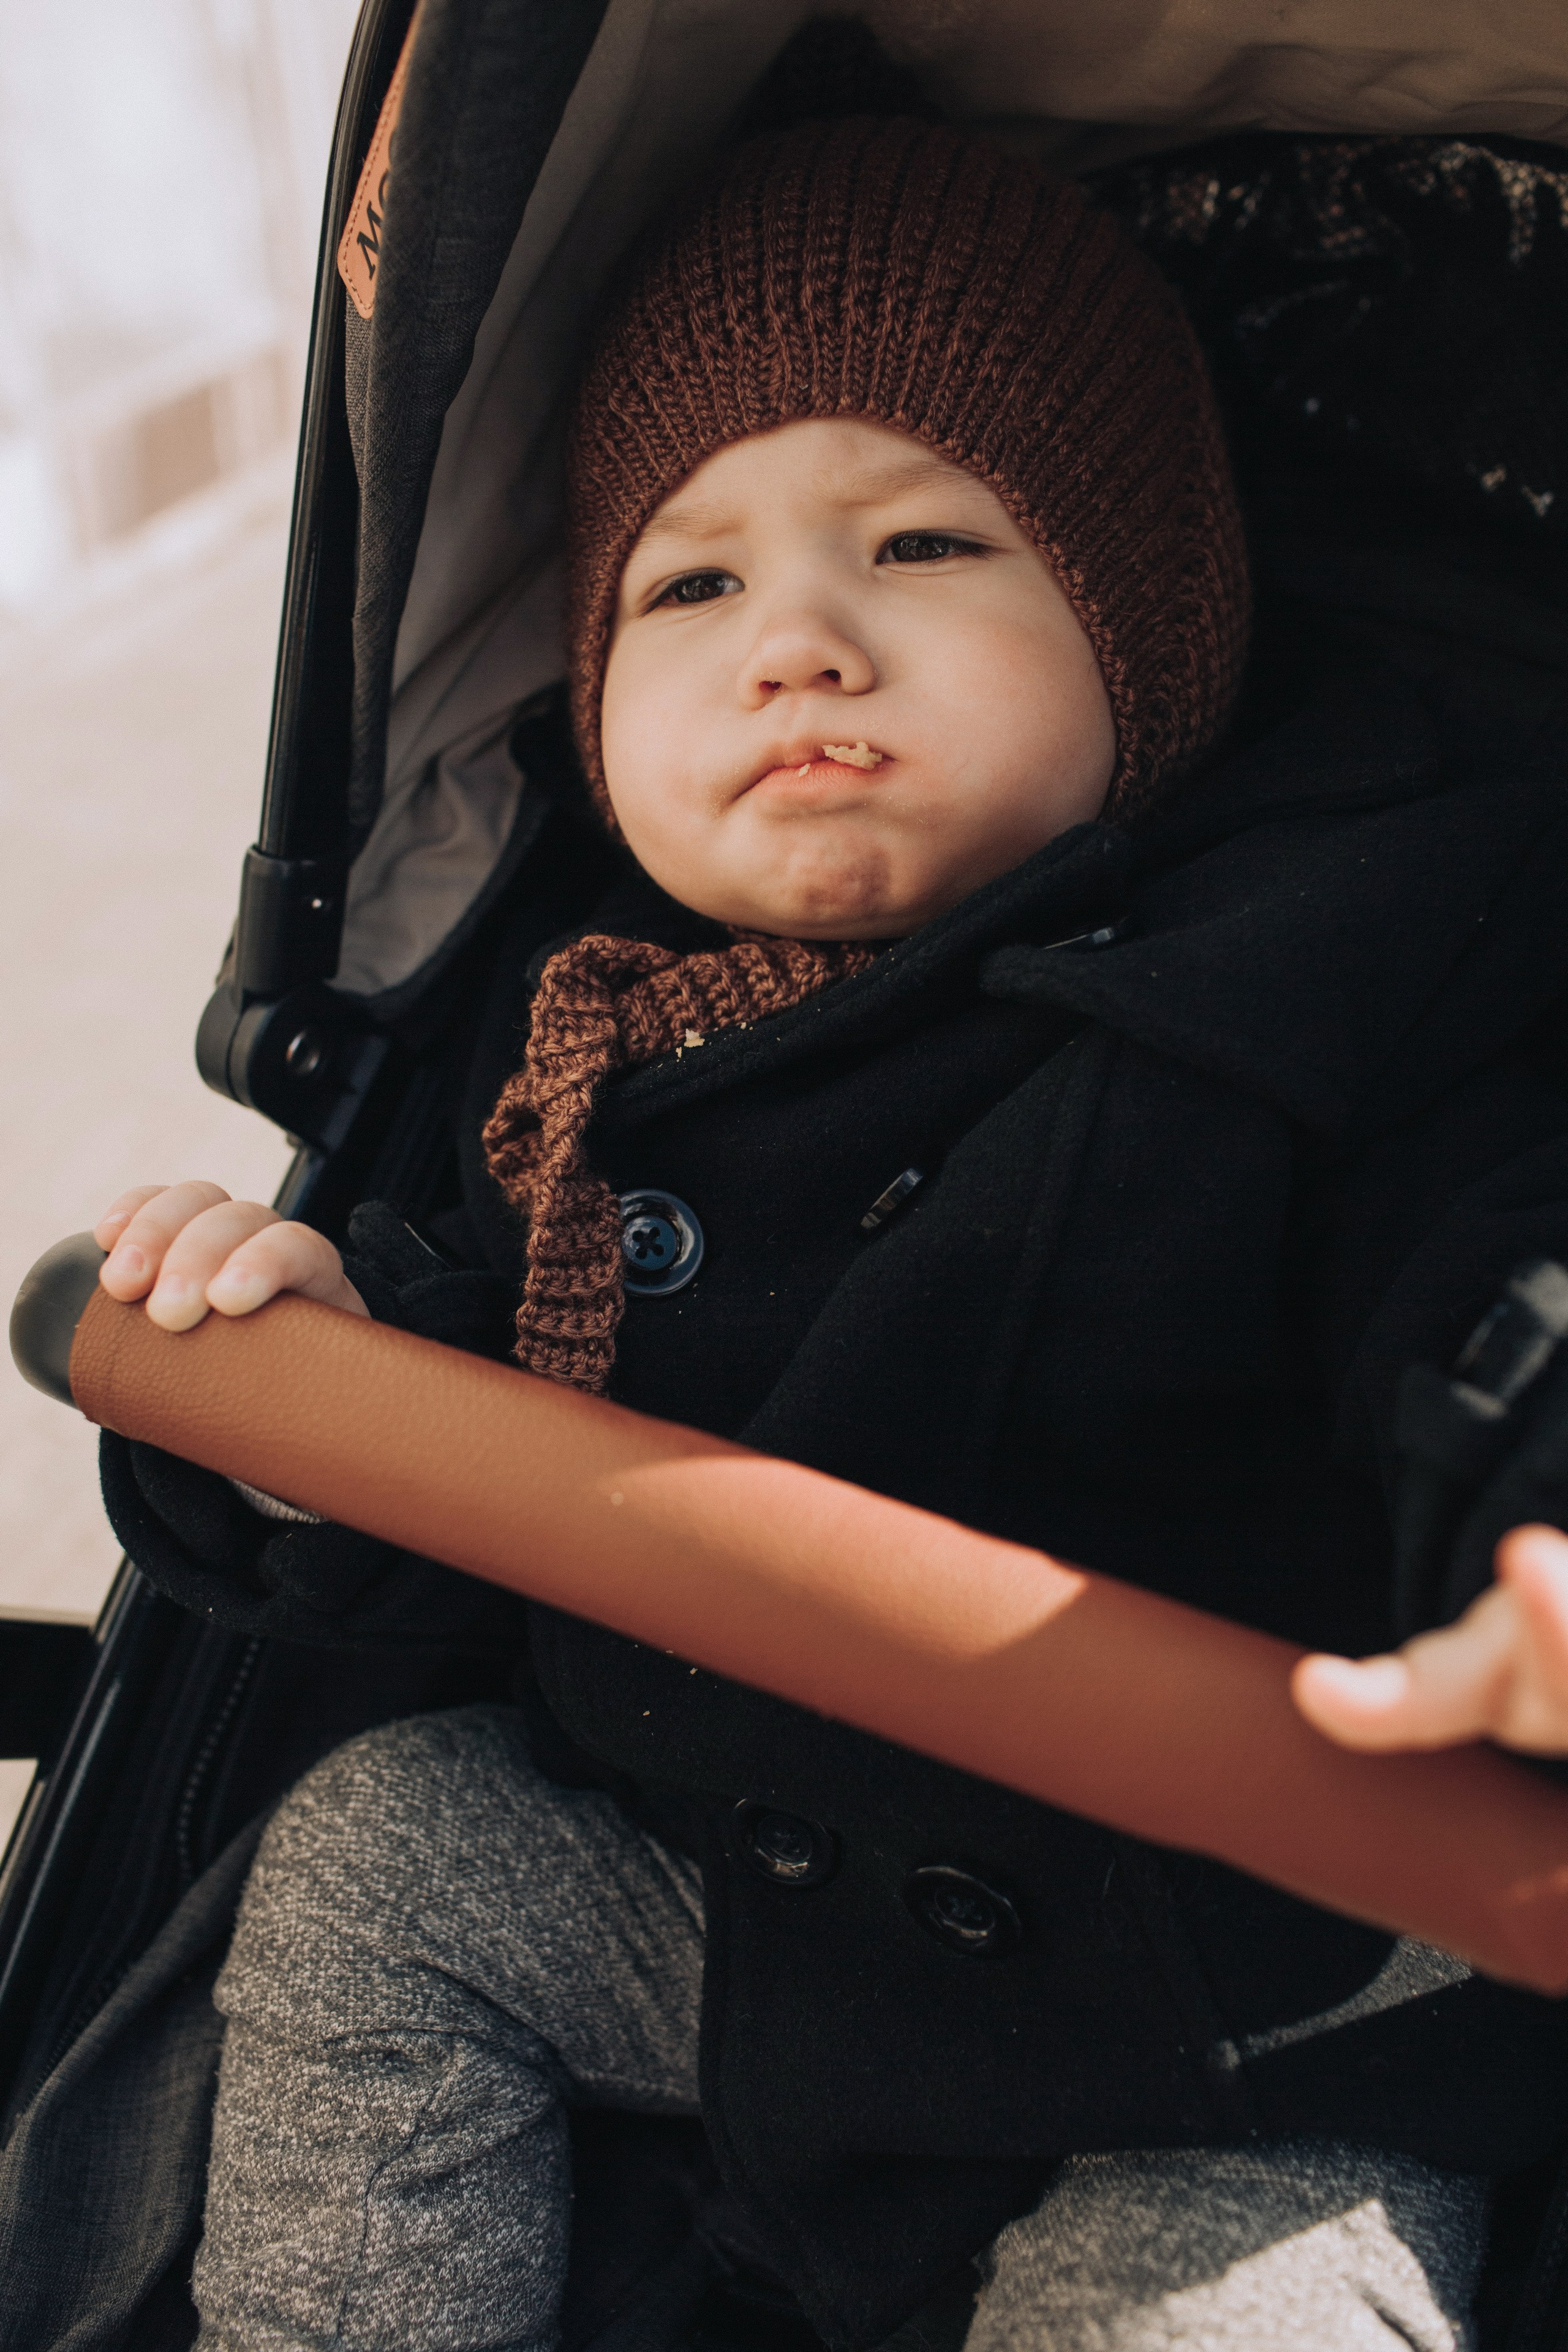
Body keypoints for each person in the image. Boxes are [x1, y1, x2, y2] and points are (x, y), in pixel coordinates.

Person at [92, 119, 1568, 2352]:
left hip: (1250, 1988)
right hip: (747, 1895)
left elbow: (1490, 1274)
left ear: (1145, 627)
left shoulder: (1332, 960)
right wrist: (323, 1371)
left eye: (917, 539)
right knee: (393, 1850)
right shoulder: (587, 1042)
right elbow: (487, 1475)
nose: (796, 639)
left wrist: (1535, 1512)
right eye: (689, 587)